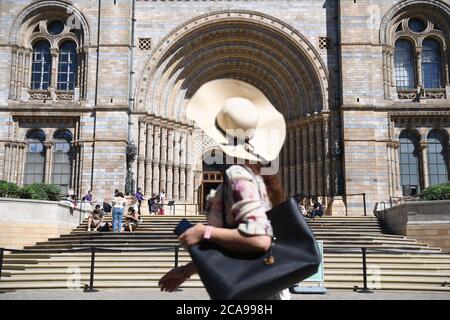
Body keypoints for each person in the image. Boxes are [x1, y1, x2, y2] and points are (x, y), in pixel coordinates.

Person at [159, 79, 290, 300]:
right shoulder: (262, 178)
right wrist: (185, 271)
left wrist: (204, 232)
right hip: (262, 284)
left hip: (250, 291)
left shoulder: (238, 176)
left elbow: (258, 240)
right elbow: (234, 247)